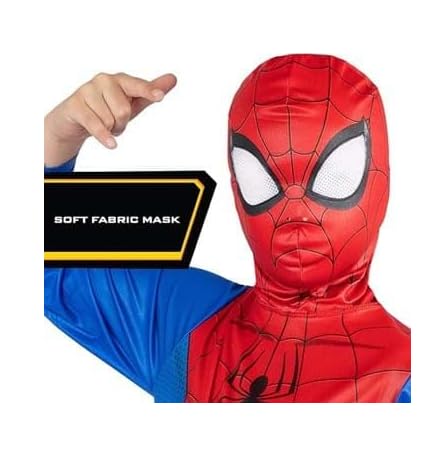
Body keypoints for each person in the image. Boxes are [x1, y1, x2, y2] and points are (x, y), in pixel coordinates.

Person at [44, 54, 411, 402]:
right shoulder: (187, 320)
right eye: (261, 179)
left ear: (379, 177)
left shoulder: (406, 377)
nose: (295, 213)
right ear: (235, 182)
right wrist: (56, 139)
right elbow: (47, 267)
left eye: (335, 176)